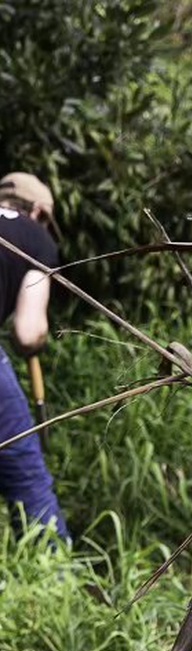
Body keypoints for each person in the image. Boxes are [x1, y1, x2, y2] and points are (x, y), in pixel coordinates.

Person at [0, 172, 69, 542]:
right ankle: (56, 572)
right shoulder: (37, 239)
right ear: (40, 211)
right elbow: (28, 331)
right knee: (26, 475)